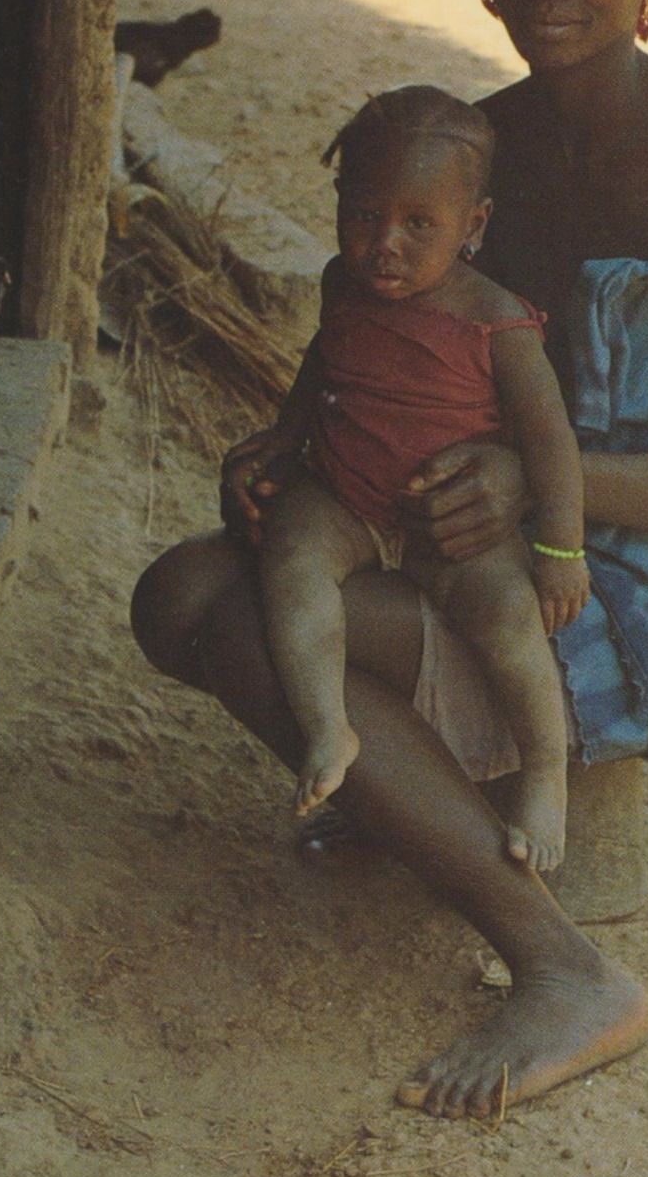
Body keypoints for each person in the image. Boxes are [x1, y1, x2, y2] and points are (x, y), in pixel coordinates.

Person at [131, 0, 648, 1122]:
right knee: (192, 590)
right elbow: (399, 369)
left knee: (216, 611)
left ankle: (563, 969)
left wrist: (538, 495)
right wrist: (295, 457)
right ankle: (426, 794)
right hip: (496, 530)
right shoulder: (479, 153)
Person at [243, 85, 588, 871]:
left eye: (418, 223)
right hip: (345, 498)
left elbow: (549, 441)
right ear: (338, 203)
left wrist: (561, 550)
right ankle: (328, 724)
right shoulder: (342, 284)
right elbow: (319, 365)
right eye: (365, 215)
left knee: (508, 616)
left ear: (474, 226)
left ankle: (543, 774)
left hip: (452, 523)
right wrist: (286, 439)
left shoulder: (496, 322)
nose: (384, 244)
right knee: (291, 563)